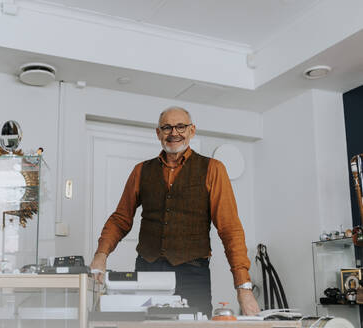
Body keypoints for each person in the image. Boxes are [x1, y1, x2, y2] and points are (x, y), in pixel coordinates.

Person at [90, 106, 260, 316]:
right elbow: (121, 219)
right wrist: (101, 254)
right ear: (158, 133)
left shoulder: (213, 169)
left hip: (192, 273)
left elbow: (230, 229)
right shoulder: (141, 170)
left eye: (181, 127)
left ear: (192, 130)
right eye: (167, 127)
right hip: (147, 271)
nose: (174, 133)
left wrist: (243, 287)